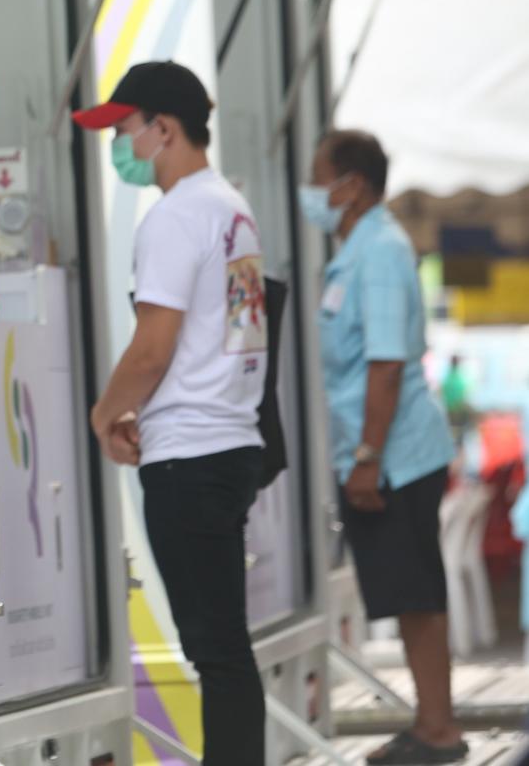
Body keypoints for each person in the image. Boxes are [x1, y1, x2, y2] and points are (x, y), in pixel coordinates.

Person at [74, 61, 267, 766]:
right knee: (223, 647)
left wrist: (105, 413)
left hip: (190, 452)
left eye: (125, 129)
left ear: (164, 128)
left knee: (216, 651)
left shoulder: (177, 214)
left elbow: (152, 350)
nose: (119, 144)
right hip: (230, 443)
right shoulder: (231, 207)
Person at [301, 130, 464, 765]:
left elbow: (387, 365)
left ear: (353, 185)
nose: (313, 191)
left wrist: (368, 456)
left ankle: (440, 730)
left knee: (418, 593)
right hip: (380, 453)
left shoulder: (382, 252)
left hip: (396, 457)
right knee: (408, 592)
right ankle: (431, 721)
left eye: (320, 176)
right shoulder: (358, 250)